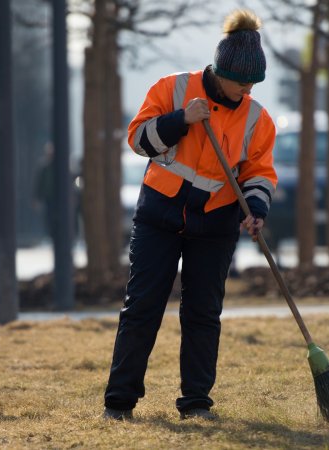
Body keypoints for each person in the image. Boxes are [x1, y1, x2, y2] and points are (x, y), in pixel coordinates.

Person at [103, 10, 277, 422]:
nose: (246, 90)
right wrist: (181, 119)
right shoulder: (173, 89)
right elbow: (138, 140)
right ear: (220, 71)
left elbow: (259, 172)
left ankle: (196, 402)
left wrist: (255, 210)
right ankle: (119, 402)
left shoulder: (256, 117)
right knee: (142, 308)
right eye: (241, 82)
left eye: (253, 83)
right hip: (158, 218)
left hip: (215, 225)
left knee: (203, 314)